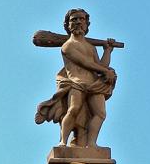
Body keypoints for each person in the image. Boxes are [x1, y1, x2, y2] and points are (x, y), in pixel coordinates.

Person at [35, 8, 117, 148]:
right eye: (74, 19)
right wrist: (105, 71)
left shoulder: (91, 47)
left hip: (94, 84)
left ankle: (91, 144)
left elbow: (100, 65)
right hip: (76, 83)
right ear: (67, 25)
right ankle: (63, 142)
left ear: (86, 24)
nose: (78, 22)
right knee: (73, 109)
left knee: (100, 114)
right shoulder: (67, 46)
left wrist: (107, 51)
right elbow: (85, 63)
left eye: (81, 19)